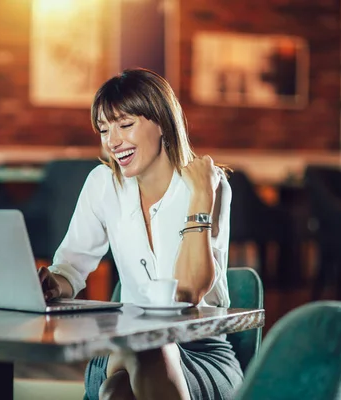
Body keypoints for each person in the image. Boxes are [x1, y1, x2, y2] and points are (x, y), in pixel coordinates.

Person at [38, 68, 242, 400]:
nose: (112, 142)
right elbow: (70, 269)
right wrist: (51, 283)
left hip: (200, 348)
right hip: (123, 346)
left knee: (121, 387)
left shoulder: (207, 185)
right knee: (138, 350)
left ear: (161, 121)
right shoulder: (102, 184)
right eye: (104, 129)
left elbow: (188, 291)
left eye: (125, 125)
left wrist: (201, 198)